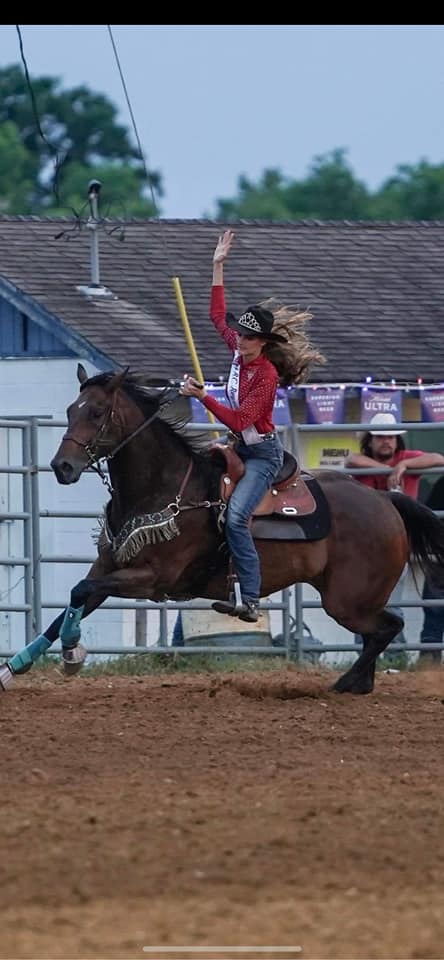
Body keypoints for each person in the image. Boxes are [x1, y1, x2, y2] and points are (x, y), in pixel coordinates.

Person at [180, 229, 323, 623]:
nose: (240, 340)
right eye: (240, 334)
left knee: (238, 516)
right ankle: (215, 579)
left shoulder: (266, 375)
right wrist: (217, 266)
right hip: (239, 447)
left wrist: (201, 397)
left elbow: (242, 420)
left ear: (263, 342)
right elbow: (214, 315)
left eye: (248, 337)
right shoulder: (241, 356)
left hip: (261, 454)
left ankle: (252, 597)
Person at [345, 412, 444, 651]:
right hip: (365, 548)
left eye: (390, 436)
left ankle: (392, 657)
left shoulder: (406, 458)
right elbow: (352, 461)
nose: (386, 441)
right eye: (380, 437)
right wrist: (389, 470)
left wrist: (404, 465)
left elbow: (438, 458)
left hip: (396, 547)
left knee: (389, 603)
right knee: (362, 603)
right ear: (370, 440)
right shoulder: (363, 462)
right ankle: (367, 656)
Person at [419, 476, 444, 663]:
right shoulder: (443, 482)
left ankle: (429, 662)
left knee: (434, 608)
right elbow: (429, 516)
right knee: (435, 608)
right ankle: (429, 666)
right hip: (441, 555)